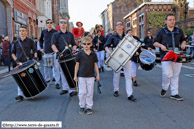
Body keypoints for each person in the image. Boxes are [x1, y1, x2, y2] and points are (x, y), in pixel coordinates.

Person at [153, 13, 186, 101]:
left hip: (177, 55)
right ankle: (164, 87)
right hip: (166, 56)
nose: (172, 21)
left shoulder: (179, 31)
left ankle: (174, 93)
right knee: (167, 74)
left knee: (175, 75)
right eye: (170, 20)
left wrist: (183, 44)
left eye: (173, 19)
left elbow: (183, 40)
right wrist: (161, 46)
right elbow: (155, 42)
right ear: (166, 21)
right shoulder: (161, 31)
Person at [104, 20, 136, 102]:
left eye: (120, 24)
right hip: (116, 58)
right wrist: (110, 53)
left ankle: (130, 94)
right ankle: (116, 90)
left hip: (127, 58)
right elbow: (106, 46)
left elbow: (134, 45)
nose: (119, 26)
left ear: (122, 26)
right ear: (115, 27)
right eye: (117, 24)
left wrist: (132, 38)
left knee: (128, 76)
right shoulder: (112, 36)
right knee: (116, 75)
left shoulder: (127, 36)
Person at [51, 18, 77, 96]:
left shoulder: (70, 34)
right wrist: (57, 52)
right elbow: (53, 45)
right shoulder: (55, 35)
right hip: (60, 56)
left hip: (69, 55)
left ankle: (71, 89)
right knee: (62, 72)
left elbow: (74, 44)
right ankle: (65, 88)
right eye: (61, 22)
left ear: (66, 24)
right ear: (59, 24)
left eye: (65, 22)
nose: (63, 24)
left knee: (68, 72)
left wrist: (74, 49)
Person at [74, 36, 99, 115]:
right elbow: (77, 65)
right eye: (84, 44)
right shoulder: (79, 54)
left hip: (91, 76)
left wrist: (97, 74)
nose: (86, 45)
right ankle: (82, 106)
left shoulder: (93, 54)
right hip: (81, 76)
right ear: (81, 45)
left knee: (90, 92)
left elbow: (95, 65)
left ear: (91, 44)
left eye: (88, 43)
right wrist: (75, 75)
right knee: (82, 92)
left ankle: (89, 107)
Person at [11, 26, 37, 101]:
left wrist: (34, 59)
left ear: (26, 32)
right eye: (20, 31)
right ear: (19, 32)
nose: (21, 32)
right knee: (20, 78)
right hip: (20, 64)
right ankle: (20, 95)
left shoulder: (30, 41)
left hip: (28, 63)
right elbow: (12, 53)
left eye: (23, 31)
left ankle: (32, 92)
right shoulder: (16, 42)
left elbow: (35, 50)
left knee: (30, 77)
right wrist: (16, 61)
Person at [39, 19, 60, 89]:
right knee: (46, 67)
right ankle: (47, 79)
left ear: (52, 24)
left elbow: (58, 41)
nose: (49, 24)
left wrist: (58, 50)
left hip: (54, 53)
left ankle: (57, 82)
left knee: (56, 68)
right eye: (48, 23)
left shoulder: (56, 32)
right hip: (46, 52)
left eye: (50, 23)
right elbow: (40, 40)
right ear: (46, 24)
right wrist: (41, 47)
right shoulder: (44, 31)